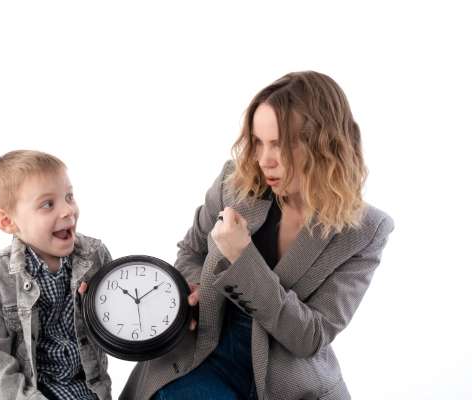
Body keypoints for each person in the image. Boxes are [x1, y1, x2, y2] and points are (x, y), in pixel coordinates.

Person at [120, 71, 394, 400]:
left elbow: (311, 335)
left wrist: (242, 257)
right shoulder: (235, 183)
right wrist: (194, 290)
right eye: (259, 142)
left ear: (323, 144)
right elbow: (191, 251)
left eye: (280, 145)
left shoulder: (365, 230)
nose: (265, 160)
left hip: (289, 380)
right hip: (207, 354)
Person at [0, 150, 112, 400]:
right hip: (13, 391)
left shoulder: (94, 256)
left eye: (69, 197)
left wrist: (102, 306)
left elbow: (118, 322)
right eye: (48, 204)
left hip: (77, 387)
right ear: (8, 222)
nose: (67, 211)